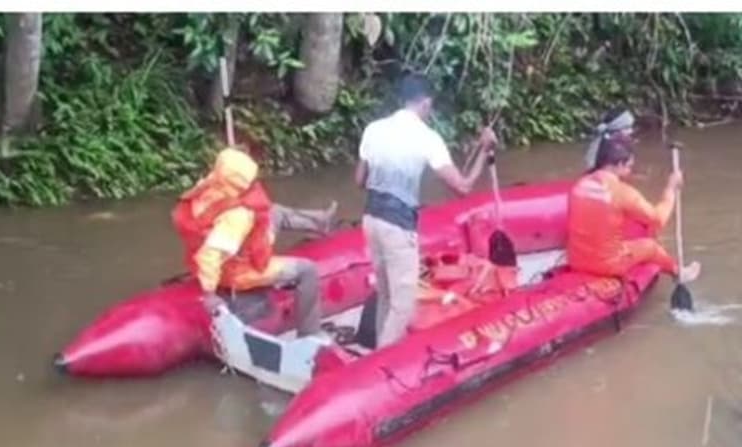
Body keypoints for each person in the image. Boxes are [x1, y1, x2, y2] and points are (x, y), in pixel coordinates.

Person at [355, 74, 498, 348]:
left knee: (386, 294)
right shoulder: (427, 138)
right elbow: (463, 187)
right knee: (404, 304)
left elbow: (359, 181)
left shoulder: (374, 129)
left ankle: (377, 351)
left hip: (371, 219)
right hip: (397, 225)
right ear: (426, 103)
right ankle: (379, 365)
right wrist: (484, 148)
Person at [172, 147, 339, 338]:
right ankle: (310, 333)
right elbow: (210, 254)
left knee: (272, 211)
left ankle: (319, 221)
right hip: (241, 270)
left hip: (237, 250)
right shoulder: (236, 217)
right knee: (308, 270)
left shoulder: (208, 187)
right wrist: (210, 293)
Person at [566, 136, 700, 283]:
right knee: (651, 247)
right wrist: (670, 189)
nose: (630, 171)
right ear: (619, 164)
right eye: (629, 166)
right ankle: (678, 273)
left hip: (575, 261)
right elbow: (658, 220)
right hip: (607, 265)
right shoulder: (622, 192)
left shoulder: (579, 184)